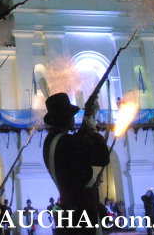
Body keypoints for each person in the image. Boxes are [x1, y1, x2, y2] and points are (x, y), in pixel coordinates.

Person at [42, 92, 110, 234]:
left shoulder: (51, 140)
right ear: (66, 118)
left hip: (70, 213)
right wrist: (92, 129)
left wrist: (88, 117)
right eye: (71, 115)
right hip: (83, 215)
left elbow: (75, 145)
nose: (73, 118)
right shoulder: (67, 143)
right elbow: (103, 157)